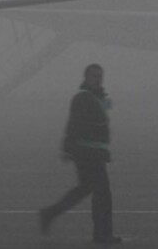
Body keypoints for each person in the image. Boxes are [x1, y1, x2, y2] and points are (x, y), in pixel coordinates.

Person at [39, 63, 122, 244]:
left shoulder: (99, 98)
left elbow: (102, 125)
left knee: (86, 189)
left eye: (100, 76)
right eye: (94, 76)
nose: (98, 79)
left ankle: (50, 213)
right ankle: (102, 234)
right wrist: (68, 147)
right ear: (86, 78)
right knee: (102, 194)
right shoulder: (82, 98)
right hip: (86, 153)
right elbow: (74, 124)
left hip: (94, 152)